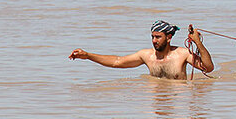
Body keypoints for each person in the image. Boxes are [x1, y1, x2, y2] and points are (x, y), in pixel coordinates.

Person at [69, 20, 214, 80]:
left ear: (169, 38)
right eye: (152, 37)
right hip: (156, 105)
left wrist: (198, 43)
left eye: (158, 37)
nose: (154, 41)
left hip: (177, 103)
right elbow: (117, 62)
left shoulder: (182, 54)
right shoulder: (146, 55)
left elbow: (208, 69)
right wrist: (88, 55)